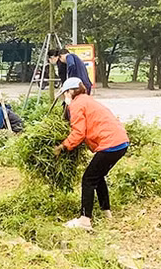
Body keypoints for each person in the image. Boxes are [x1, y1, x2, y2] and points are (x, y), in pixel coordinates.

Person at [53, 77, 129, 231]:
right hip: (120, 142)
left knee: (88, 179)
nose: (65, 97)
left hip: (110, 143)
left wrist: (62, 146)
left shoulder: (76, 104)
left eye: (65, 93)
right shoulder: (87, 100)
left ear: (71, 91)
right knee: (97, 176)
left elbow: (79, 132)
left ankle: (85, 219)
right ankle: (106, 212)